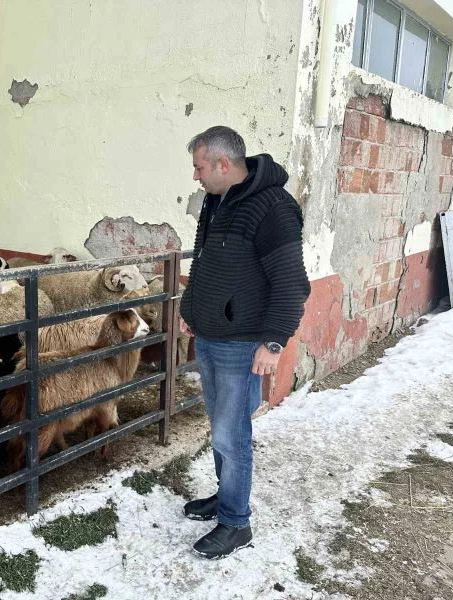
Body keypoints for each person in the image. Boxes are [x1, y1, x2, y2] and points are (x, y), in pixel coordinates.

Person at [179, 126, 310, 559]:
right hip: (212, 338)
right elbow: (206, 262)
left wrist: (273, 343)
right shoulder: (216, 201)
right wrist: (190, 311)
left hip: (242, 345)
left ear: (222, 164)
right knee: (221, 429)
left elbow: (292, 283)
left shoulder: (273, 208)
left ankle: (236, 523)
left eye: (199, 166)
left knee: (232, 436)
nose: (195, 176)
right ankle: (225, 497)